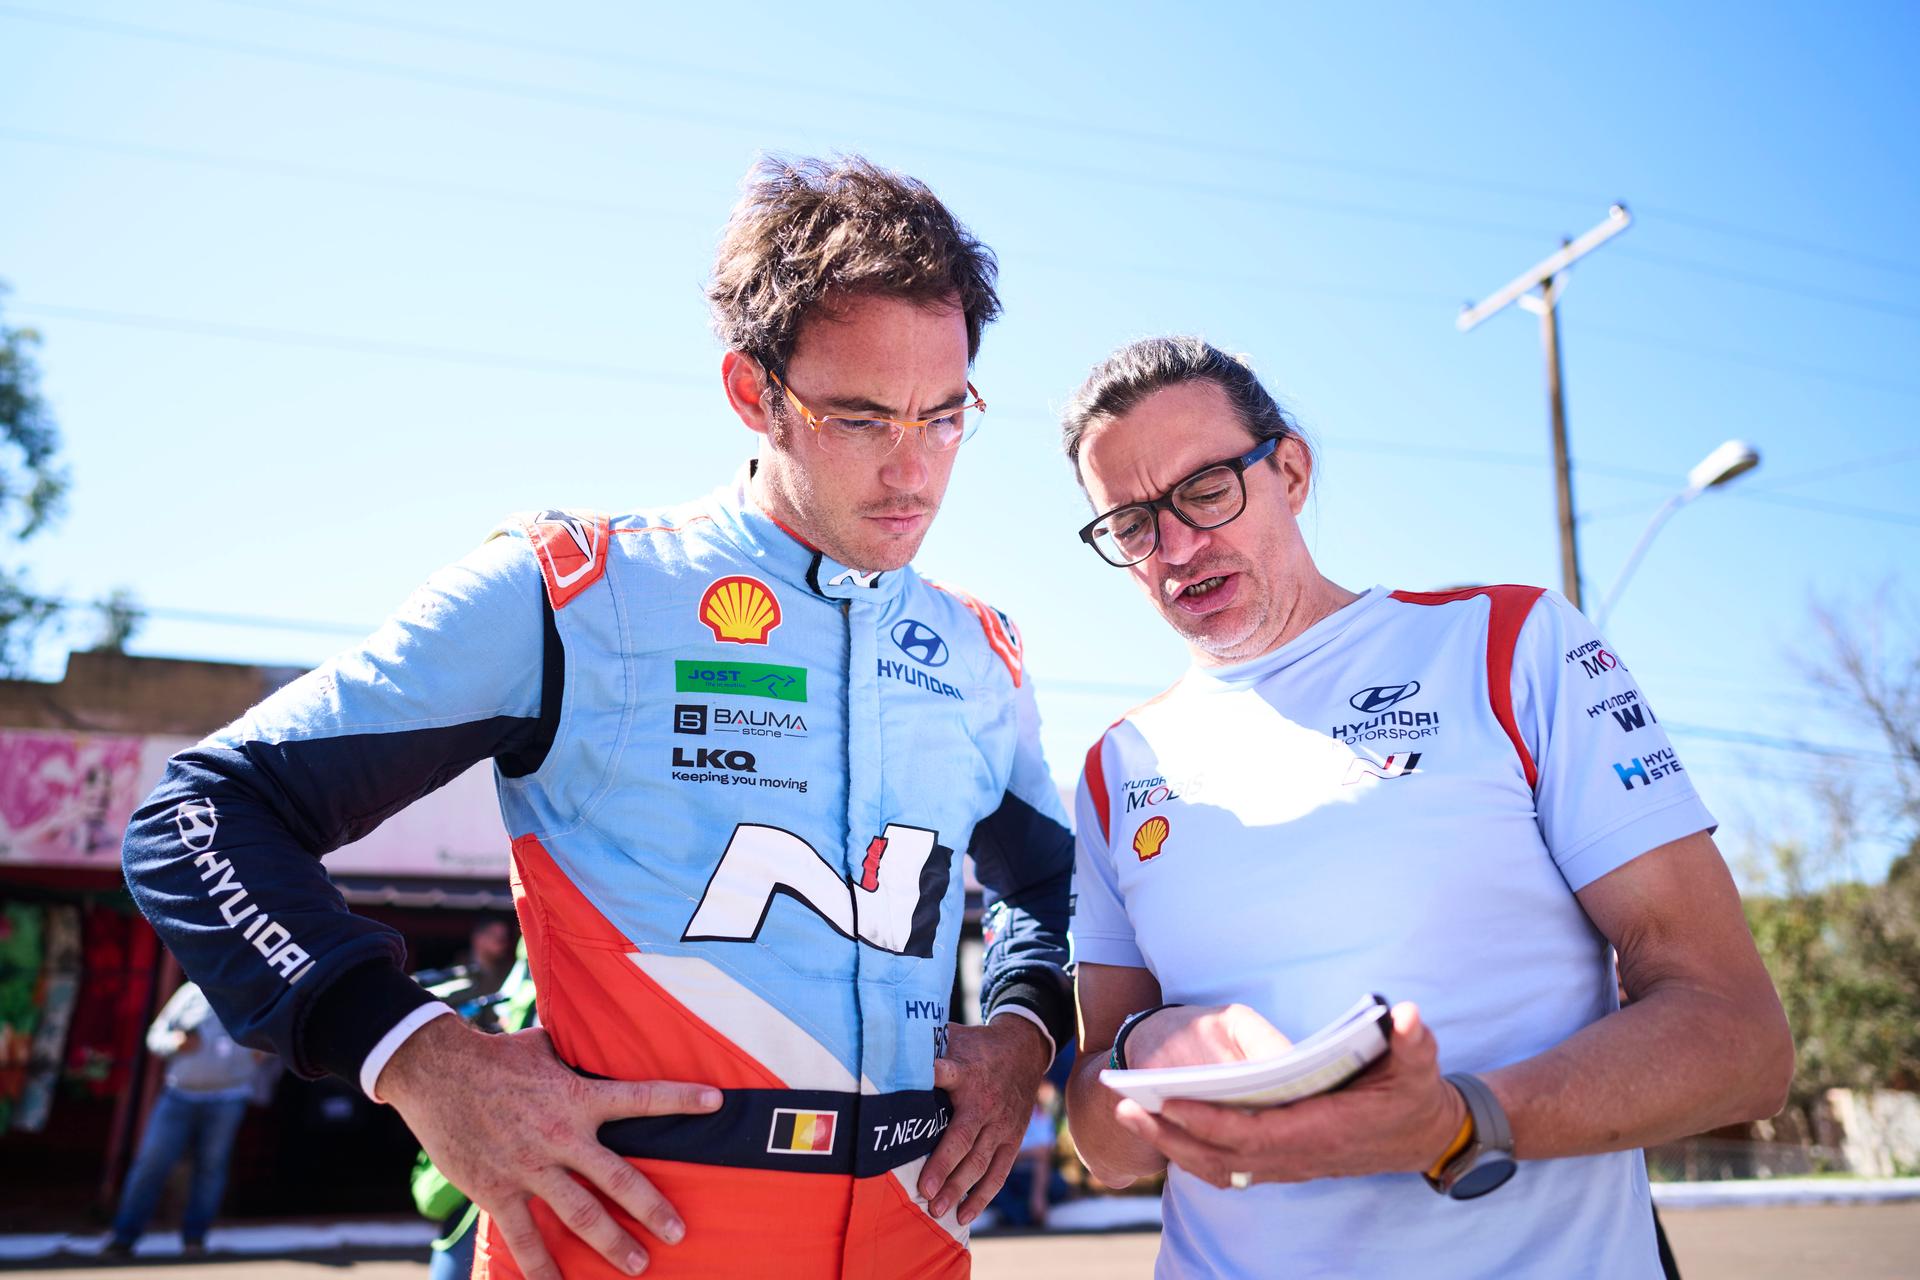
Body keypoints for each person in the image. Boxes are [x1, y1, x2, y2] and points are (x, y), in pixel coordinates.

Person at [121, 156, 1075, 1280]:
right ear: (752, 390)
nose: (914, 469)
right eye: (859, 416)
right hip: (623, 1246)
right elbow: (199, 817)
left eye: (946, 414)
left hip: (913, 1248)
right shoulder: (576, 590)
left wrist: (1024, 1034)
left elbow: (1061, 894)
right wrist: (420, 1057)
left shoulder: (979, 652)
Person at [1057, 336, 1793, 1279]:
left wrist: (1457, 1122)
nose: (1177, 548)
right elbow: (1109, 1148)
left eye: (1206, 491)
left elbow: (1740, 1039)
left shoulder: (1511, 644)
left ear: (1289, 468)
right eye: (1130, 523)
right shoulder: (1116, 766)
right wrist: (1146, 1047)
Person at [104, 980, 262, 1258]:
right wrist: (175, 1043)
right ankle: (124, 1237)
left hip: (228, 1096)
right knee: (151, 1163)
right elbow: (155, 1036)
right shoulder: (192, 992)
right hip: (179, 1095)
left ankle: (195, 1240)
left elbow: (276, 1042)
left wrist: (264, 1054)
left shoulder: (254, 994)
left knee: (211, 1169)